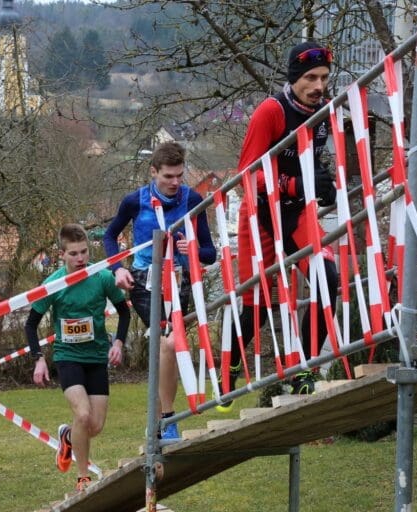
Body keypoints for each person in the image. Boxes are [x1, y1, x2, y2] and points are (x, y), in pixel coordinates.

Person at [219, 41, 339, 411]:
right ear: (294, 78)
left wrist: (324, 185)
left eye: (323, 77)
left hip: (296, 212)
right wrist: (294, 184)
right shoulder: (270, 112)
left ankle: (301, 367)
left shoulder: (324, 112)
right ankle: (230, 366)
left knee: (328, 279)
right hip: (259, 214)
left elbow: (313, 164)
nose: (318, 86)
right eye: (310, 78)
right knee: (258, 304)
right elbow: (247, 175)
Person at [103, 141, 216, 440]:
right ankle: (167, 420)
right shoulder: (134, 201)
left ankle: (161, 420)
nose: (175, 182)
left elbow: (210, 253)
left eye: (180, 175)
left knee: (169, 346)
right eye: (168, 176)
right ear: (153, 172)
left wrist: (190, 248)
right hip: (144, 280)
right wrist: (118, 269)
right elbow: (110, 236)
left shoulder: (192, 199)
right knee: (168, 342)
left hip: (180, 281)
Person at [24, 224, 130, 492]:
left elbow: (124, 312)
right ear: (62, 254)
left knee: (95, 426)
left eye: (84, 252)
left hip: (96, 357)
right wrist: (39, 358)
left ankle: (67, 436)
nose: (81, 258)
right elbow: (30, 324)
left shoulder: (102, 277)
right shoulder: (53, 284)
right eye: (73, 254)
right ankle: (83, 477)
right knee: (82, 415)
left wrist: (118, 342)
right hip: (67, 356)